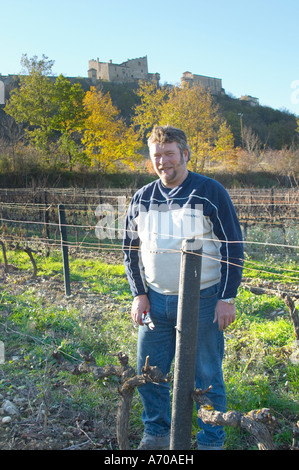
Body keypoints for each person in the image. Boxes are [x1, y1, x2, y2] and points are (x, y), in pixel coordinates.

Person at [122, 125, 243, 450]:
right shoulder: (142, 197)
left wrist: (226, 297)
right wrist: (139, 293)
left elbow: (232, 245)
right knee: (149, 371)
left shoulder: (209, 191)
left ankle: (209, 441)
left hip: (203, 300)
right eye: (157, 155)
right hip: (156, 301)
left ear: (185, 155)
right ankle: (157, 434)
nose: (163, 161)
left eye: (169, 154)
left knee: (205, 376)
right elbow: (129, 249)